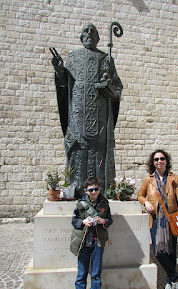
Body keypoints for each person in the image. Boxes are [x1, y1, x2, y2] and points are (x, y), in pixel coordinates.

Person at [50, 23, 123, 197]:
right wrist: (60, 71)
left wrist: (111, 89)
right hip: (78, 119)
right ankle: (75, 193)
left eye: (93, 31)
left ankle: (103, 194)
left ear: (98, 38)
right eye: (85, 31)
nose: (89, 33)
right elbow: (65, 86)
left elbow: (117, 87)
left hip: (100, 120)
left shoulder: (106, 59)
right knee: (78, 156)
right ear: (81, 37)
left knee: (99, 158)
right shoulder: (73, 58)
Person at [137, 149, 178, 289]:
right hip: (155, 220)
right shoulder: (149, 180)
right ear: (152, 162)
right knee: (159, 252)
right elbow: (139, 195)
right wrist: (146, 202)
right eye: (156, 159)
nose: (159, 161)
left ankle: (169, 284)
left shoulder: (174, 179)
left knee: (171, 252)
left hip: (171, 220)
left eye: (162, 158)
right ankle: (175, 277)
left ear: (166, 161)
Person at [70, 177, 113, 289]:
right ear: (86, 191)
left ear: (99, 189)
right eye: (91, 190)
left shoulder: (104, 203)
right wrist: (83, 222)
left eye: (96, 189)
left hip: (97, 242)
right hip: (84, 243)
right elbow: (74, 220)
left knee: (95, 274)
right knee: (81, 274)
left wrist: (103, 221)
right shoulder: (81, 204)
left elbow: (109, 220)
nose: (94, 192)